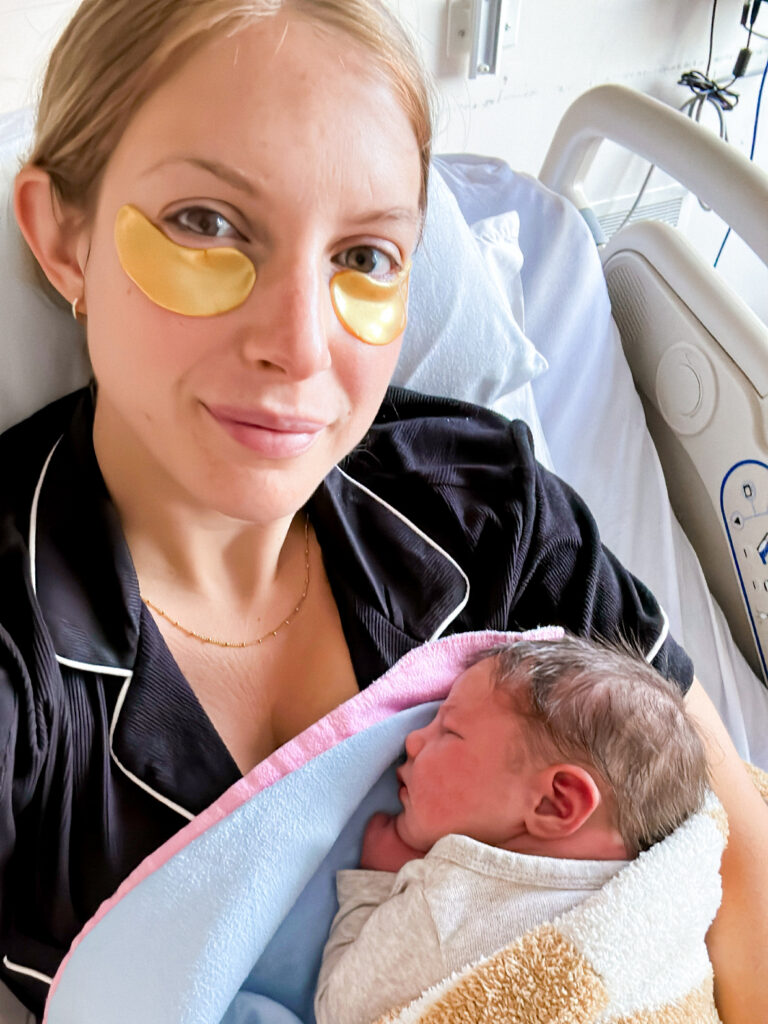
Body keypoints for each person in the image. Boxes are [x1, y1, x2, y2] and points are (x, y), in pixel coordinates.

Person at [0, 0, 765, 1020]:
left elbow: (738, 873)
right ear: (64, 236)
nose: (302, 345)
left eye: (362, 257)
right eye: (208, 225)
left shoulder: (484, 507)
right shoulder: (23, 646)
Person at [314, 635, 713, 1024]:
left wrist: (376, 882)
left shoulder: (447, 910)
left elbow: (339, 1010)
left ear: (555, 802)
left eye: (448, 730)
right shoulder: (665, 892)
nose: (413, 739)